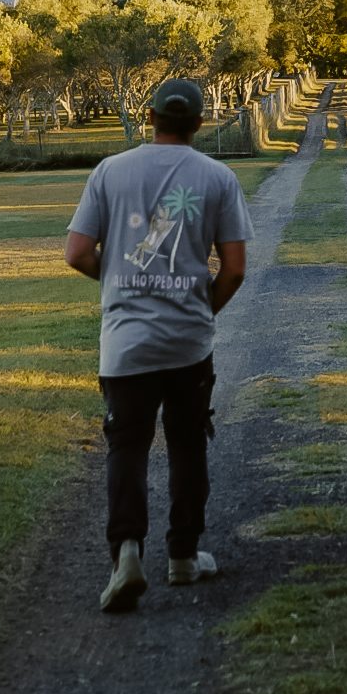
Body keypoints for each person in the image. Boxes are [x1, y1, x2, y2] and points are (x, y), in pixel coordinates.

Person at [65, 78, 254, 612]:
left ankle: (127, 552)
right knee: (188, 446)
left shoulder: (110, 172)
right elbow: (235, 268)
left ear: (149, 116)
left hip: (125, 344)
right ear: (198, 123)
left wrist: (119, 286)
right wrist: (199, 309)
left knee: (126, 447)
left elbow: (77, 252)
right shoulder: (217, 176)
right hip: (188, 343)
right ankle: (184, 558)